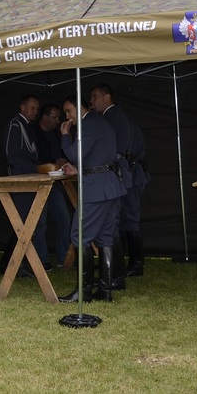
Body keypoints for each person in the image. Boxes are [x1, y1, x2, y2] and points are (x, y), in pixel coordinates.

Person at [59, 95, 126, 302]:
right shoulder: (101, 122)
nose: (67, 116)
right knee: (105, 237)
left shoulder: (87, 125)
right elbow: (98, 157)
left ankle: (84, 291)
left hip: (95, 188)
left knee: (80, 236)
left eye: (68, 111)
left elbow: (75, 154)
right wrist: (80, 169)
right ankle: (104, 291)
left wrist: (65, 136)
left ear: (80, 108)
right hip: (109, 185)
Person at [90, 83, 151, 283]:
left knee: (126, 219)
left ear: (107, 97)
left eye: (95, 97)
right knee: (126, 219)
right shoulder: (119, 117)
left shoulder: (111, 118)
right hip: (131, 172)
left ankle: (133, 264)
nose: (91, 101)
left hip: (129, 174)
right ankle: (128, 263)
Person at [2, 94, 49, 275]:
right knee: (22, 224)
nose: (35, 112)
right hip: (21, 181)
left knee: (26, 223)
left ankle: (13, 263)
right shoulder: (15, 125)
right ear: (22, 107)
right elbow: (12, 156)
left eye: (37, 109)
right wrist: (35, 168)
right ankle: (13, 264)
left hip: (29, 179)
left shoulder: (26, 126)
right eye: (32, 108)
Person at [33, 102, 72, 269]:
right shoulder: (33, 132)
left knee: (64, 219)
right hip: (39, 182)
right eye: (55, 117)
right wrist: (51, 161)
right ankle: (42, 261)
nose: (58, 121)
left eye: (59, 117)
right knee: (39, 223)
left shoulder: (56, 133)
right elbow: (34, 158)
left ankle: (64, 259)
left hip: (56, 182)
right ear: (45, 117)